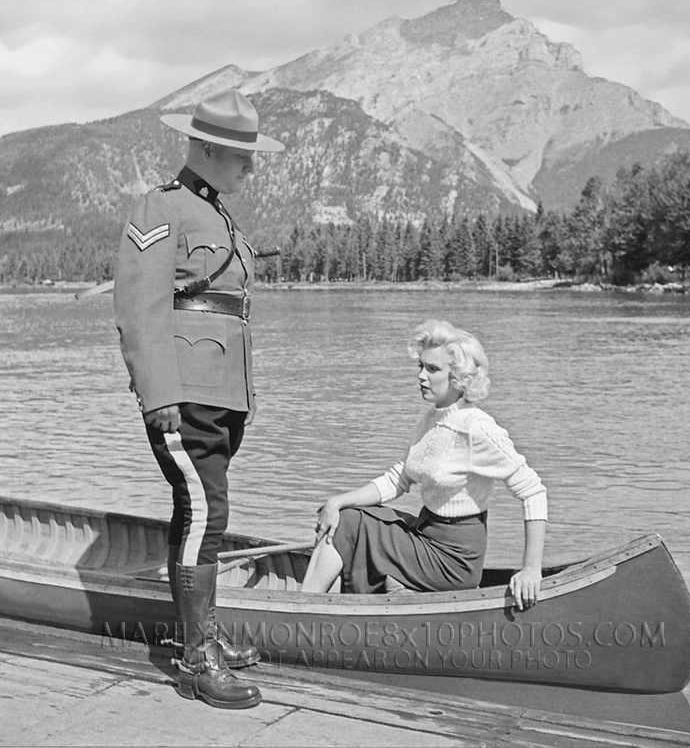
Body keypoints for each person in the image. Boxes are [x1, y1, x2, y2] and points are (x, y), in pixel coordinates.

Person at [114, 89, 284, 709]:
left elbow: (228, 315)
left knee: (200, 516)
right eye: (243, 154)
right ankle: (198, 657)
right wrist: (158, 394)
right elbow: (140, 307)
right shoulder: (163, 207)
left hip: (218, 395)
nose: (251, 167)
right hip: (182, 394)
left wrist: (245, 394)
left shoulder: (219, 216)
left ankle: (202, 636)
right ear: (209, 147)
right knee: (206, 515)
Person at [301, 319, 547, 610]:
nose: (420, 376)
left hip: (453, 559)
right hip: (426, 535)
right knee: (349, 513)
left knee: (350, 524)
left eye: (432, 369)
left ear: (458, 377)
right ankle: (313, 606)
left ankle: (302, 610)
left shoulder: (476, 428)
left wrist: (531, 568)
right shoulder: (431, 419)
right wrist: (336, 502)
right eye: (420, 366)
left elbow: (533, 492)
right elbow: (398, 479)